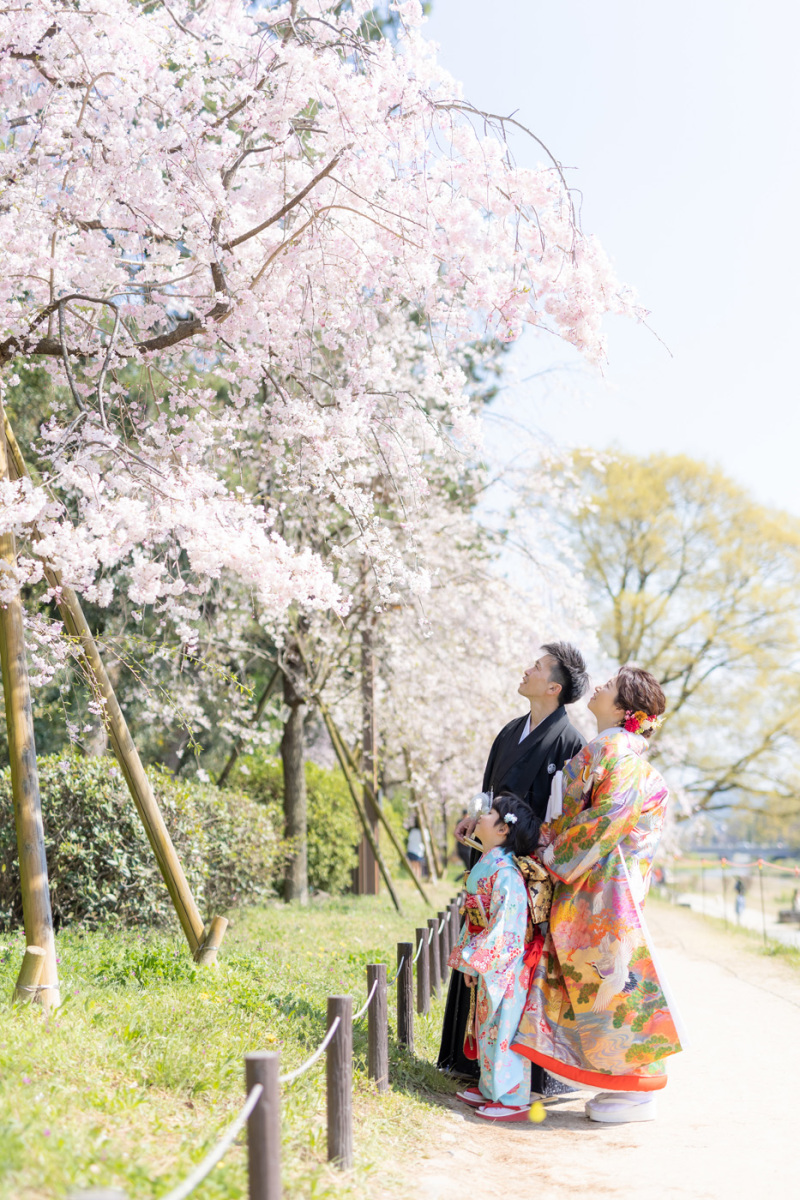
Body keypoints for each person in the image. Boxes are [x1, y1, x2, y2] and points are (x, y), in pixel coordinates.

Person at [512, 665, 686, 1125]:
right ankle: (621, 1086)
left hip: (607, 889)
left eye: (611, 685)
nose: (601, 685)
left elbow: (609, 817)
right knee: (600, 986)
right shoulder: (612, 749)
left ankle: (636, 1091)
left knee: (615, 987)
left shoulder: (618, 753)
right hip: (601, 883)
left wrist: (551, 855)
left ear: (625, 708)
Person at [438, 641, 589, 1090]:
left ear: (555, 687)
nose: (527, 670)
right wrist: (475, 815)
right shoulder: (510, 731)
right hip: (491, 859)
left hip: (528, 873)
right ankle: (467, 1061)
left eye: (537, 667)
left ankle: (524, 1078)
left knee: (519, 968)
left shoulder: (569, 742)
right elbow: (489, 790)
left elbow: (566, 817)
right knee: (479, 944)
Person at [448, 793, 543, 1121]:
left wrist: (476, 960)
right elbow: (478, 918)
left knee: (503, 1028)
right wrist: (472, 961)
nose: (480, 816)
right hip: (490, 960)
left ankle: (512, 1097)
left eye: (488, 812)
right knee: (486, 1026)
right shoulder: (492, 862)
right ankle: (490, 1088)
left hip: (507, 964)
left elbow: (507, 927)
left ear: (503, 829)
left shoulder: (506, 872)